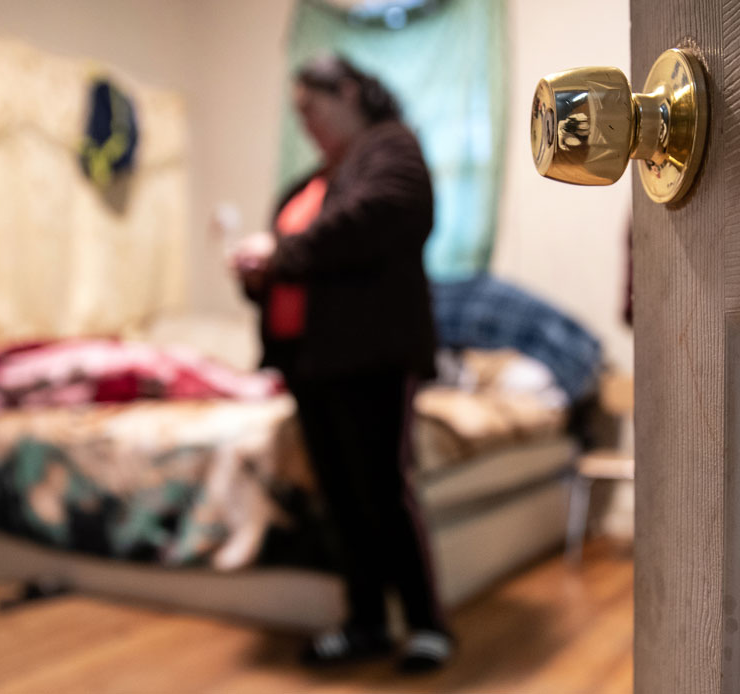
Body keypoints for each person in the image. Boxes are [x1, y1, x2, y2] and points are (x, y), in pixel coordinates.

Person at [229, 54, 454, 673]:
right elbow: (297, 267)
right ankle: (365, 623)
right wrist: (256, 274)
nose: (304, 122)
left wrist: (279, 254)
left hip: (372, 355)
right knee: (340, 498)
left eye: (311, 106)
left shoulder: (391, 148)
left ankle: (427, 625)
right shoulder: (314, 179)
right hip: (311, 364)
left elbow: (375, 219)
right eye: (297, 113)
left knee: (383, 491)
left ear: (349, 92)